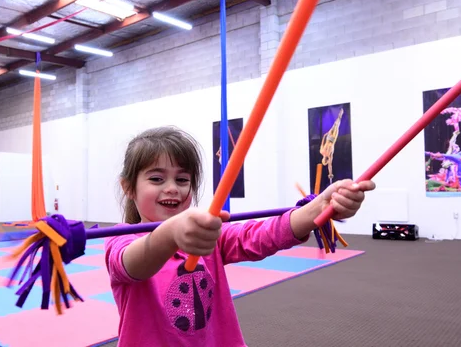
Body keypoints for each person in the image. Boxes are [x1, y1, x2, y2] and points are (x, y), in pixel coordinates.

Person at [104, 126, 375, 347]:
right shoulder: (120, 241)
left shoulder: (209, 236)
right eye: (156, 179)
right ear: (128, 187)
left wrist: (320, 208)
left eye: (182, 179)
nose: (172, 188)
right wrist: (172, 233)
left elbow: (262, 235)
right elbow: (133, 264)